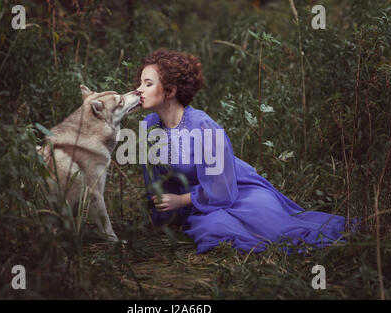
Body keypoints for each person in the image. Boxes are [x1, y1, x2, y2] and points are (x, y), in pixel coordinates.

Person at [135, 48, 351, 254]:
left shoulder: (202, 126)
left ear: (171, 90)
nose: (139, 90)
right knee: (214, 230)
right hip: (197, 202)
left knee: (276, 230)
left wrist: (181, 200)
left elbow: (221, 188)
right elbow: (155, 182)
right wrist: (163, 215)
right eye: (140, 83)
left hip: (235, 188)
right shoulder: (149, 124)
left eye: (148, 84)